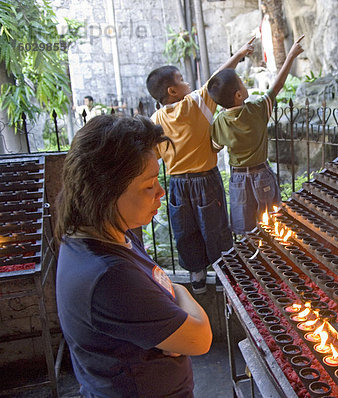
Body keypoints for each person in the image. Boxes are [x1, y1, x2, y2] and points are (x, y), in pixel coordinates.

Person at [55, 115, 212, 397]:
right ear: (105, 193)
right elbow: (200, 338)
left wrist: (174, 296)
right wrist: (181, 295)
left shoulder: (108, 233)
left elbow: (163, 288)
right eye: (148, 185)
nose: (161, 192)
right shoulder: (109, 276)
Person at [145, 38, 255, 294]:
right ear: (173, 90)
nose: (187, 83)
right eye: (182, 79)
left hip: (177, 184)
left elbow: (154, 155)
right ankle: (224, 273)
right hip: (206, 179)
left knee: (185, 229)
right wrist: (238, 53)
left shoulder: (156, 120)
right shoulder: (196, 103)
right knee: (214, 225)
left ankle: (197, 276)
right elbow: (218, 78)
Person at [207, 35, 305, 234]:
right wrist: (291, 56)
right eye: (242, 82)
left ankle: (251, 262)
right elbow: (276, 87)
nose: (244, 84)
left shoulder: (219, 123)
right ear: (239, 95)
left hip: (238, 180)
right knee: (273, 227)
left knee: (245, 232)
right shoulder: (257, 109)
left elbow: (215, 147)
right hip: (262, 176)